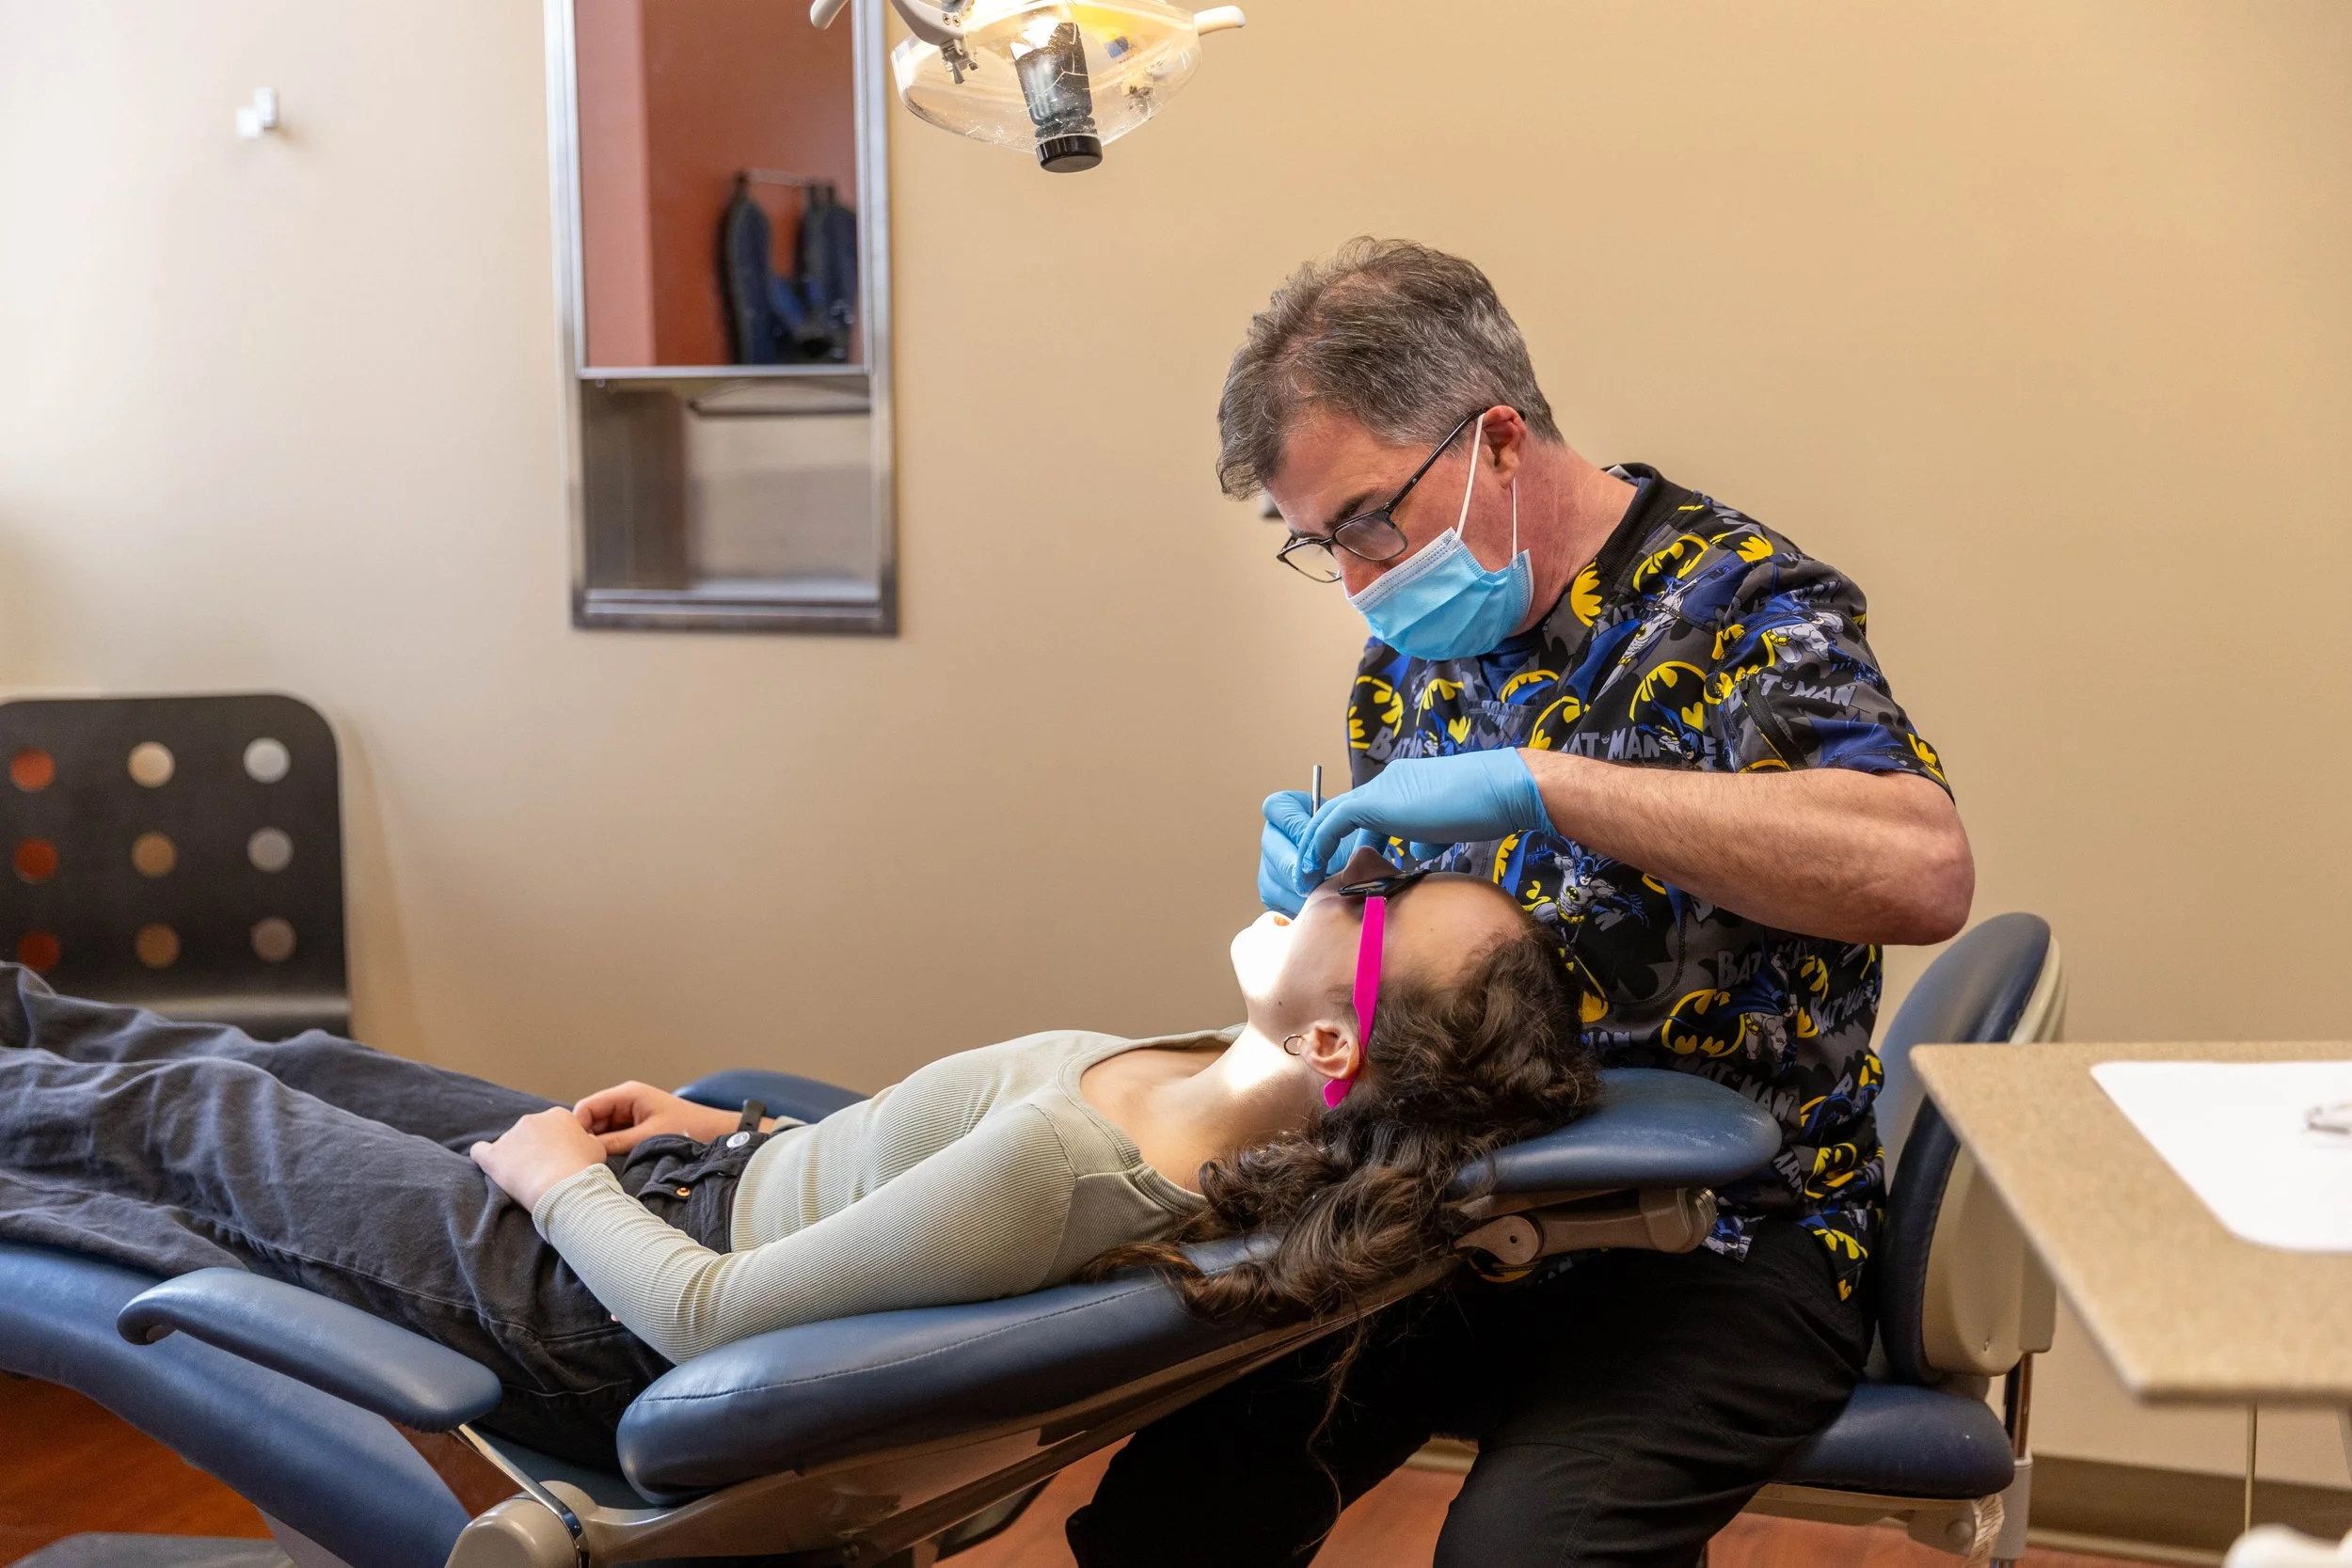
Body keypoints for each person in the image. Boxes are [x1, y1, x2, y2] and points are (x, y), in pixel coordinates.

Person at [1066, 240, 1977, 1567]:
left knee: (1525, 1552)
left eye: (1372, 518)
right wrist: (1341, 893)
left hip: (1735, 1237)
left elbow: (1922, 868)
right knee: (1176, 1506)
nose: (1364, 579)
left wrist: (1550, 786)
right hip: (1466, 1209)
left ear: (1498, 437)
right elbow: (1429, 968)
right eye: (1318, 545)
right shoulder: (1407, 666)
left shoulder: (1742, 608)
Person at [0, 846, 1595, 1465]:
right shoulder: (1202, 1079)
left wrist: (561, 1177)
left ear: (1337, 1046)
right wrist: (730, 1131)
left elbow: (709, 1327)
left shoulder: (1084, 1168)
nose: (1345, 877)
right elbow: (892, 1183)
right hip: (686, 1192)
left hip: (596, 1308)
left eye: (1376, 906)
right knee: (264, 1060)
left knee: (185, 1122)